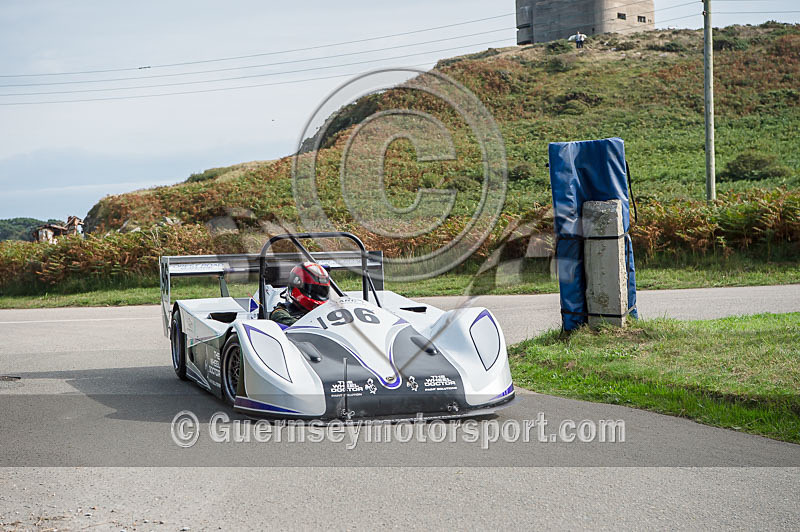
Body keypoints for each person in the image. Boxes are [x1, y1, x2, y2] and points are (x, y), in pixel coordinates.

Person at [269, 262, 331, 326]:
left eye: (322, 291)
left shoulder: (328, 309)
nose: (319, 295)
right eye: (315, 291)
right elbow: (299, 326)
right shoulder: (280, 313)